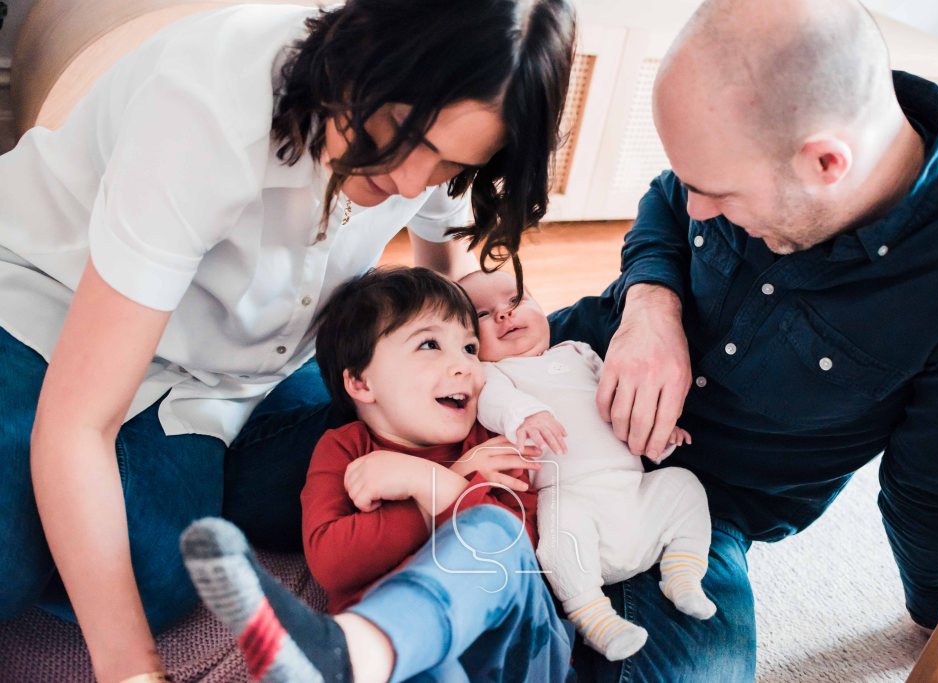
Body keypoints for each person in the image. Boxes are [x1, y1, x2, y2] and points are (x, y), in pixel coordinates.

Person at [0, 0, 576, 679]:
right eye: (403, 134)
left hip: (239, 377)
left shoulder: (440, 127)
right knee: (43, 551)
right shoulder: (205, 110)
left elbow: (439, 284)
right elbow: (78, 421)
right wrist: (130, 668)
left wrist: (479, 354)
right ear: (363, 45)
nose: (411, 182)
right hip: (49, 309)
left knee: (163, 568)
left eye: (448, 164)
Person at [547, 0, 938, 680]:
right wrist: (650, 304)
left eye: (716, 195)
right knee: (350, 393)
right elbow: (665, 200)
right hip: (577, 369)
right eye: (693, 185)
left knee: (688, 671)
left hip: (706, 503)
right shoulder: (732, 150)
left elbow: (932, 481)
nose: (697, 210)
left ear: (826, 163)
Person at [182, 266, 573, 683]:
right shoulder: (343, 448)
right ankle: (353, 652)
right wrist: (433, 500)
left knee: (493, 525)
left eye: (471, 349)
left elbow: (523, 551)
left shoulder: (492, 440)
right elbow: (332, 564)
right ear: (362, 383)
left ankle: (352, 650)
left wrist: (433, 484)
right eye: (430, 344)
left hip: (516, 650)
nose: (465, 367)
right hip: (409, 671)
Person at [460, 268, 715, 662]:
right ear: (470, 344)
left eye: (515, 300)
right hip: (573, 498)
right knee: (559, 525)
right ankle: (592, 615)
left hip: (634, 493)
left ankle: (683, 573)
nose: (504, 316)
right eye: (483, 314)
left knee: (683, 484)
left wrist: (657, 438)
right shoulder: (493, 374)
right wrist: (525, 416)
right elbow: (495, 404)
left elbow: (619, 401)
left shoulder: (578, 351)